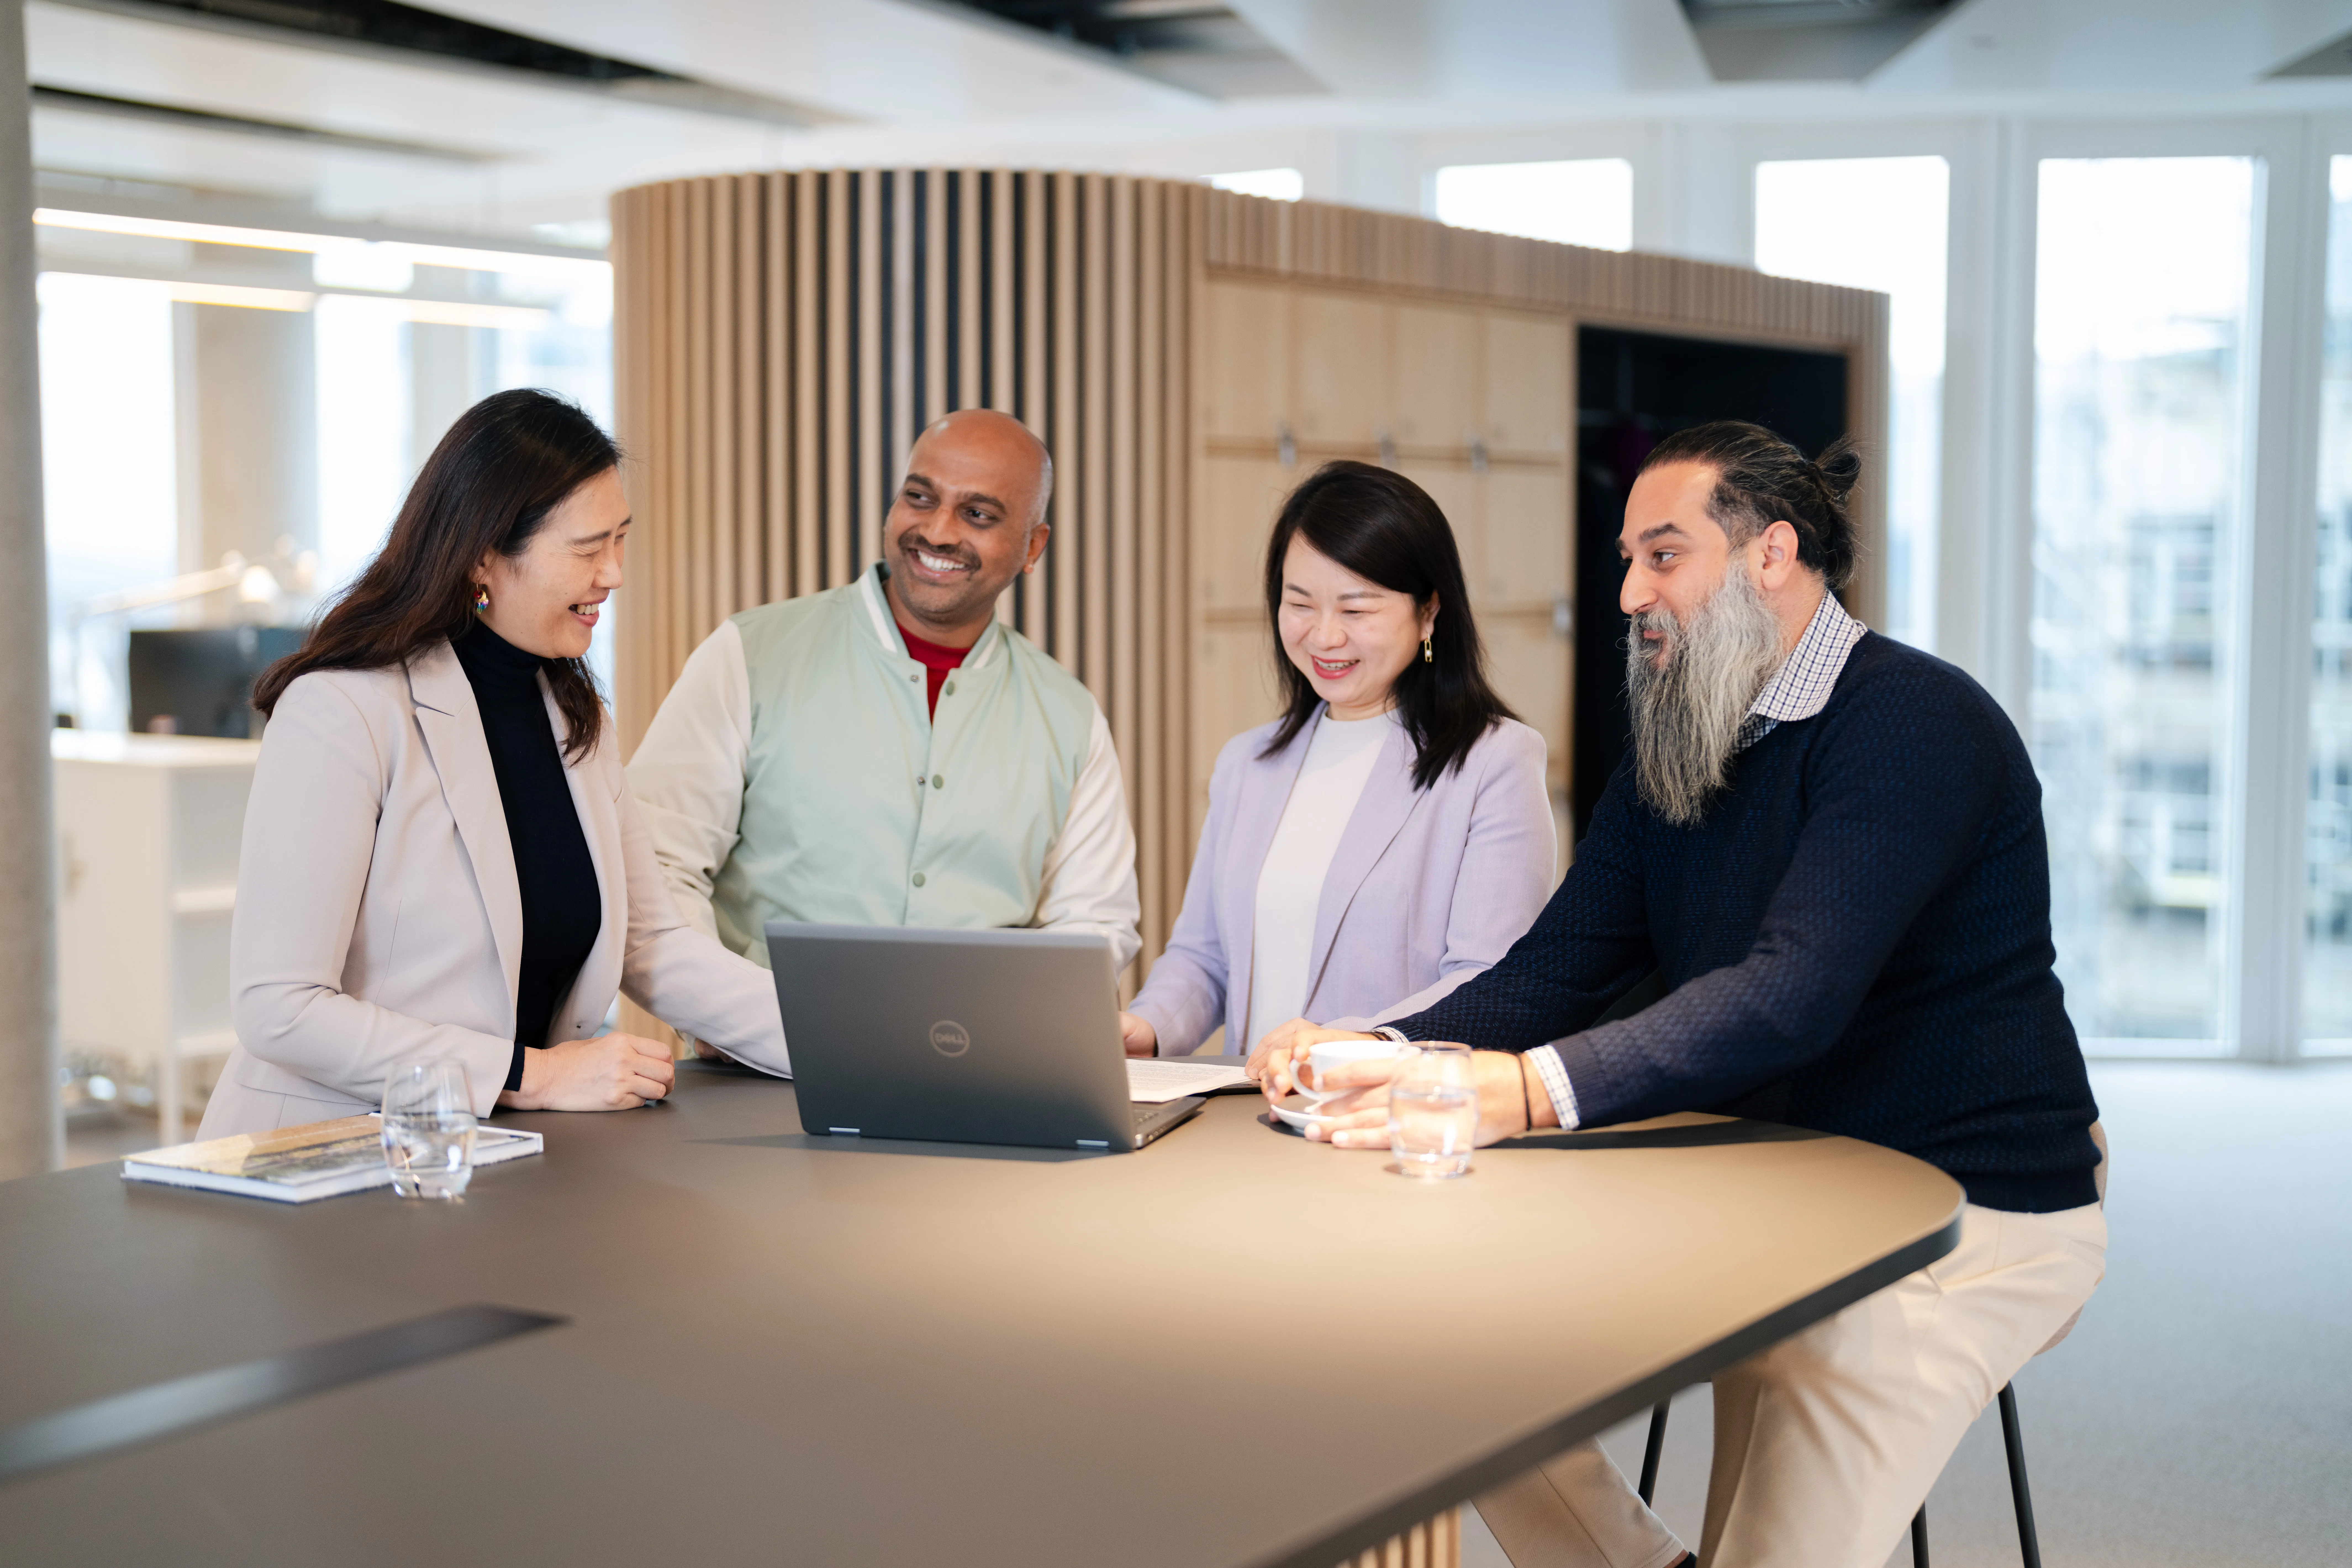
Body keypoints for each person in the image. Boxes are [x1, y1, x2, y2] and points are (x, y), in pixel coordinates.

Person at [1259, 423, 2106, 1568]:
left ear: (1771, 555)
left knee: (1811, 1420)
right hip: (1774, 1185)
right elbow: (1550, 975)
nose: (1627, 592)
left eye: (1662, 556)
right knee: (1445, 1336)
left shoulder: (1916, 723)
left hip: (1965, 1211)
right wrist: (1377, 1046)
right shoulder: (1675, 738)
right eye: (1626, 560)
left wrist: (1518, 1091)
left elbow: (1785, 997)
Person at [198, 390, 785, 1139]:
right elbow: (279, 1006)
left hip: (498, 1162)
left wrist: (849, 1050)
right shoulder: (343, 711)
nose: (615, 573)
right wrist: (529, 1075)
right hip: (332, 1153)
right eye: (587, 547)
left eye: (621, 539)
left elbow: (651, 944)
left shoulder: (575, 715)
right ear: (482, 554)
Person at [627, 410, 1140, 1028]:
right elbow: (656, 872)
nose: (938, 531)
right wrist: (735, 1017)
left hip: (975, 1077)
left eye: (978, 515)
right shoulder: (751, 655)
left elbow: (1093, 924)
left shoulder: (1069, 716)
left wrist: (1005, 1028)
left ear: (1032, 547)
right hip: (753, 1077)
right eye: (919, 498)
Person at [1119, 461, 1552, 1063]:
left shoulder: (1494, 762)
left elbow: (1488, 981)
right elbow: (1205, 956)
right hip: (1247, 1120)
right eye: (1300, 604)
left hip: (1386, 1119)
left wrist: (1356, 1046)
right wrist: (1146, 1026)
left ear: (1428, 612)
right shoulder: (1247, 763)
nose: (1324, 637)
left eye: (1356, 610)